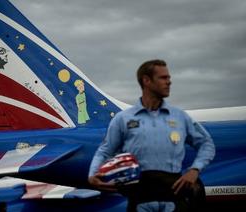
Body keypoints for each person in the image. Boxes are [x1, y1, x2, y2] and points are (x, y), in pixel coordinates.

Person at [88, 59, 215, 211]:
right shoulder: (123, 119)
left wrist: (195, 170)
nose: (169, 82)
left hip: (173, 200)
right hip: (141, 200)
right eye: (163, 78)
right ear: (146, 81)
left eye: (169, 77)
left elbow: (206, 143)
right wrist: (92, 174)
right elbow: (105, 150)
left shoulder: (180, 117)